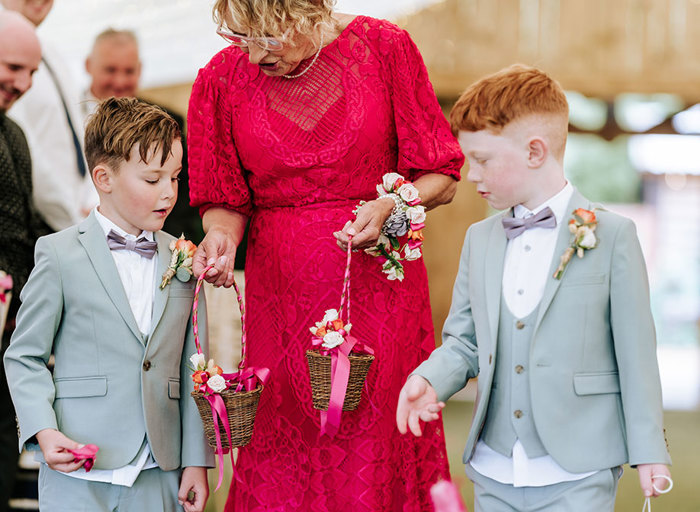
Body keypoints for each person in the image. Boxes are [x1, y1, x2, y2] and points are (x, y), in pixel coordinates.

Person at [187, 1, 464, 510]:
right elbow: (224, 200)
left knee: (376, 437)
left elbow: (441, 174)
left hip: (379, 291)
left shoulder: (385, 49)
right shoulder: (221, 80)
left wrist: (393, 204)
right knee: (280, 437)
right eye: (240, 37)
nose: (251, 55)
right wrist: (221, 237)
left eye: (266, 36)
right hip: (281, 296)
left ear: (305, 10)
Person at [396, 65, 672, 512]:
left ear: (535, 151)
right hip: (494, 469)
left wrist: (650, 454)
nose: (469, 174)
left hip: (578, 471)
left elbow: (635, 355)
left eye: (482, 159)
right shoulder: (479, 239)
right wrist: (431, 379)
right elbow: (464, 341)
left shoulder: (613, 235)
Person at [4, 97, 213, 512]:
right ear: (104, 177)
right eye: (152, 180)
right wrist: (44, 431)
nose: (169, 193)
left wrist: (196, 462)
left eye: (174, 177)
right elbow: (25, 357)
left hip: (161, 467)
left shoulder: (185, 259)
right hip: (79, 466)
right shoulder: (58, 254)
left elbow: (196, 368)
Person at [82, 28, 204, 244]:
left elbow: (183, 207)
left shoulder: (169, 121)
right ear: (89, 66)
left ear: (139, 70)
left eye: (128, 71)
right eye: (110, 70)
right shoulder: (63, 115)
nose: (119, 82)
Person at [0, 11, 45, 511]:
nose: (24, 83)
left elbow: (27, 226)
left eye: (31, 72)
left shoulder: (12, 134)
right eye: (13, 67)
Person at [1, 0, 96, 232]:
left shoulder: (52, 53)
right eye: (14, 67)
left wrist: (94, 196)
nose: (24, 82)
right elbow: (27, 151)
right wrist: (72, 220)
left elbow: (80, 129)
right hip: (42, 221)